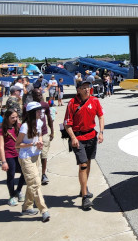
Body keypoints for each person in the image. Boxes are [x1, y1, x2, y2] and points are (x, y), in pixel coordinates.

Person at [64, 80, 105, 211]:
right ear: (78, 90)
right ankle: (85, 198)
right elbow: (67, 124)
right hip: (78, 138)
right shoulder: (72, 103)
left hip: (92, 136)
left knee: (88, 162)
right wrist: (73, 137)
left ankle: (84, 188)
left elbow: (101, 116)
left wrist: (101, 132)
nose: (87, 89)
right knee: (83, 165)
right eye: (84, 88)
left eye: (88, 87)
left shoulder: (95, 101)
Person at [16, 102, 50, 222]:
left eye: (40, 110)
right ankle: (44, 210)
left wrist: (40, 142)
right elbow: (17, 144)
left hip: (35, 156)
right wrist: (32, 143)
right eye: (37, 110)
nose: (40, 112)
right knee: (35, 183)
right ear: (32, 113)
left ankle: (26, 206)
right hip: (26, 158)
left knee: (32, 183)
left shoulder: (39, 122)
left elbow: (39, 135)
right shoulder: (25, 126)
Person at [0, 108, 26, 206]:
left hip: (20, 154)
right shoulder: (2, 130)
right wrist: (4, 161)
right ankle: (11, 196)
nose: (15, 119)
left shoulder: (20, 126)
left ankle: (18, 190)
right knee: (11, 176)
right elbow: (1, 146)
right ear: (7, 118)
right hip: (9, 155)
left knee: (25, 172)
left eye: (16, 117)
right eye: (12, 117)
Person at [30, 89, 54, 185]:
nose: (40, 96)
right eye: (37, 95)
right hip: (33, 134)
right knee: (34, 156)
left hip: (44, 133)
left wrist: (52, 131)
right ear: (33, 96)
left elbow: (49, 118)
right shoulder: (29, 106)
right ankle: (34, 174)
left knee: (44, 155)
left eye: (40, 94)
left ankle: (43, 174)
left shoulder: (45, 105)